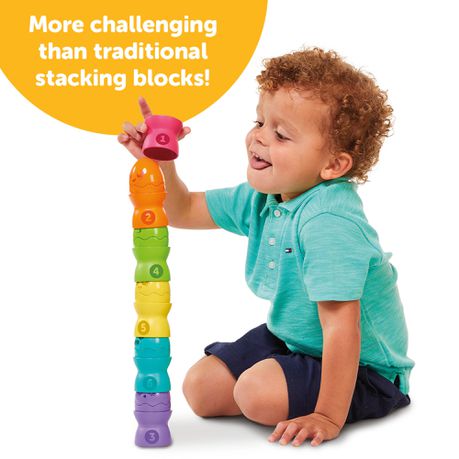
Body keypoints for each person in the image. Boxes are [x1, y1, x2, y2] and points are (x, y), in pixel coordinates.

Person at [118, 47, 414, 447]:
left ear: (333, 165)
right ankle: (285, 377)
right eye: (260, 121)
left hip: (363, 367)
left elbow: (341, 327)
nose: (259, 137)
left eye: (281, 134)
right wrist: (160, 162)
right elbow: (182, 210)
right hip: (294, 340)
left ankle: (318, 395)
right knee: (201, 389)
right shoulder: (266, 196)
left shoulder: (329, 222)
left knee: (255, 395)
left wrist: (327, 415)